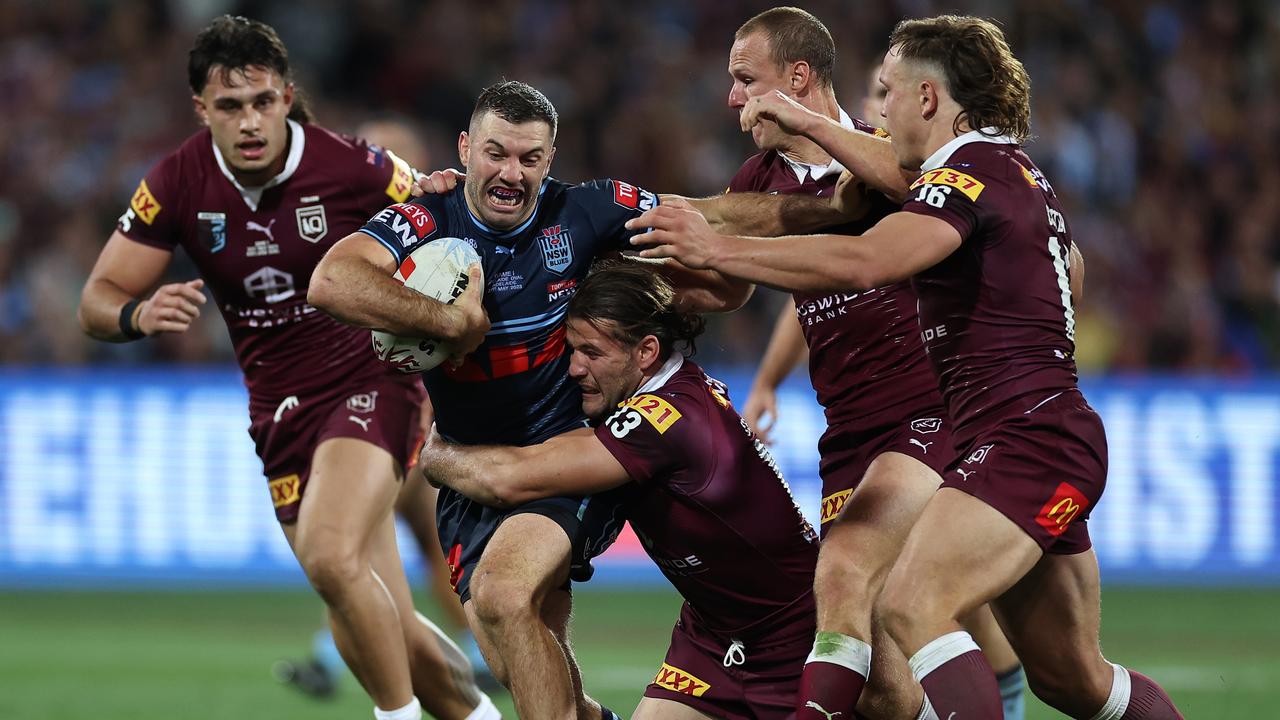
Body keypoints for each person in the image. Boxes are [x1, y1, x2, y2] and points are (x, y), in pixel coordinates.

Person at [630, 14, 1183, 720]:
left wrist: (715, 248)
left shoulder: (970, 174)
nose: (879, 107)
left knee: (909, 602)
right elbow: (1064, 267)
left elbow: (864, 262)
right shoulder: (1007, 171)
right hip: (1021, 436)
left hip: (1018, 438)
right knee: (1075, 680)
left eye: (888, 91)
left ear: (928, 99)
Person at [309, 78, 863, 719]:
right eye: (495, 153)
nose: (510, 173)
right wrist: (453, 323)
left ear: (551, 160)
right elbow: (333, 280)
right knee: (522, 659)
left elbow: (711, 212)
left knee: (503, 593)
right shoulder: (425, 219)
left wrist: (832, 210)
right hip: (471, 474)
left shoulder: (584, 212)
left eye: (529, 159)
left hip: (561, 457)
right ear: (464, 149)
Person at [76, 16, 495, 720]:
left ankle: (395, 718)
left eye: (263, 101)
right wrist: (137, 317)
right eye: (231, 106)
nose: (249, 121)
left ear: (287, 97)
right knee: (377, 611)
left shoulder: (351, 166)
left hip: (372, 382)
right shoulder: (178, 182)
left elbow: (454, 228)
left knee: (332, 559)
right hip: (279, 414)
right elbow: (96, 300)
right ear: (200, 110)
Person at [723, 8, 1023, 719]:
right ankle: (992, 691)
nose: (734, 100)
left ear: (797, 77)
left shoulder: (889, 156)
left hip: (926, 409)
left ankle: (999, 693)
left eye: (745, 80)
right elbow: (795, 282)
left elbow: (874, 250)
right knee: (884, 680)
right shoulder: (756, 176)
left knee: (854, 573)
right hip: (849, 433)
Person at [419, 263, 820, 720]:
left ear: (646, 350)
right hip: (711, 634)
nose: (574, 368)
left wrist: (437, 458)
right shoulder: (657, 393)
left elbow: (511, 479)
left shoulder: (666, 419)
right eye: (571, 350)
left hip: (792, 639)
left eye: (591, 352)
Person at [276, 116, 498, 700]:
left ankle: (353, 658)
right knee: (367, 546)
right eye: (372, 151)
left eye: (390, 154)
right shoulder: (354, 241)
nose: (377, 163)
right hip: (361, 413)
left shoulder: (440, 233)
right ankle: (459, 655)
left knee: (370, 545)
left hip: (402, 413)